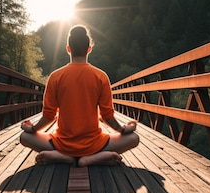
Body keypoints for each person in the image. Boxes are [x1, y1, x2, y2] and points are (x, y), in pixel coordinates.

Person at [20, 24, 140, 167]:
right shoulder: (100, 76)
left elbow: (48, 116)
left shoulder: (55, 77)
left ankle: (66, 157)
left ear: (68, 49)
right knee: (133, 138)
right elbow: (107, 115)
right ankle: (89, 159)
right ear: (89, 49)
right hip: (94, 144)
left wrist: (33, 129)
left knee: (24, 137)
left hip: (62, 144)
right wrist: (122, 129)